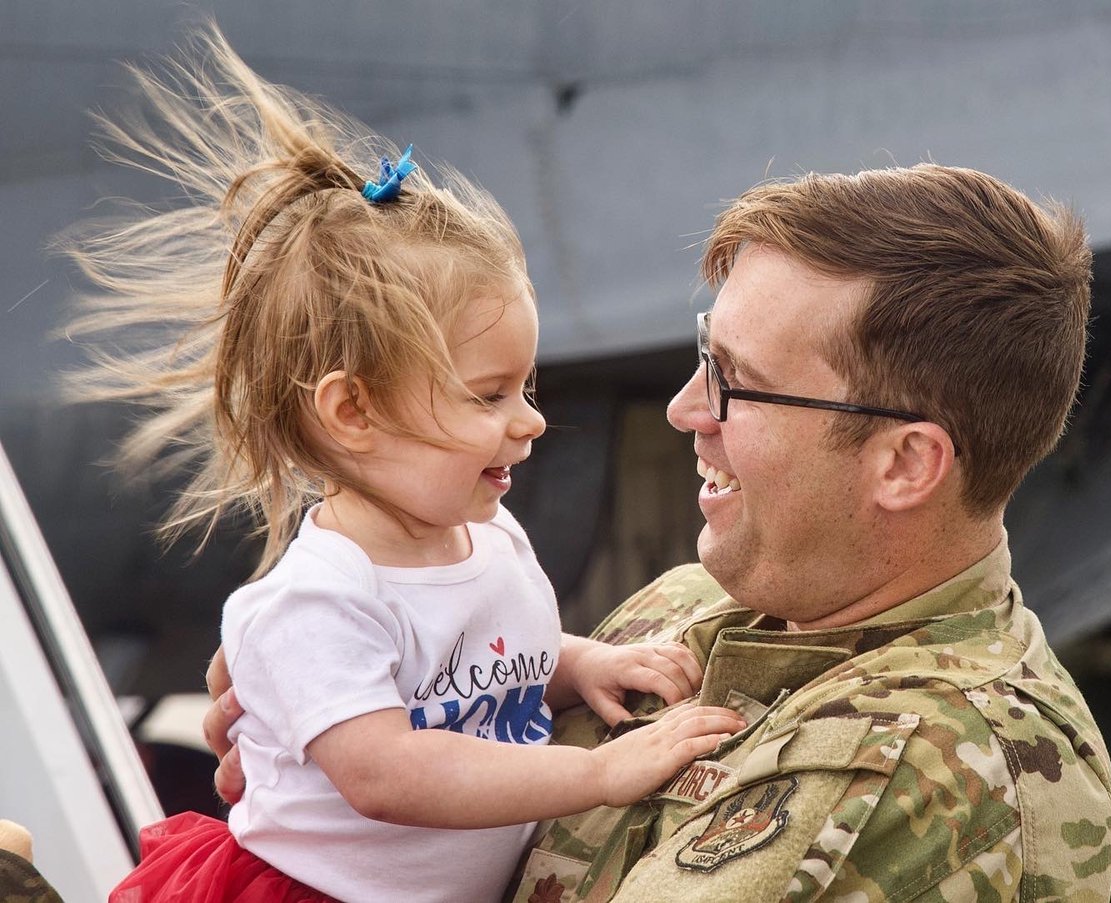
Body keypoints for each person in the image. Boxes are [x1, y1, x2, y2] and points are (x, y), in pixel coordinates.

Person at [205, 160, 1111, 901]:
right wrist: (328, 693)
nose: (685, 410)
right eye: (699, 354)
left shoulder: (908, 767)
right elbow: (431, 741)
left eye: (736, 381)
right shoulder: (694, 603)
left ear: (905, 464)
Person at [64, 25, 744, 903]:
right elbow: (389, 770)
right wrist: (601, 775)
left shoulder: (485, 534)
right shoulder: (316, 598)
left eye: (525, 387)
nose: (531, 421)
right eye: (487, 395)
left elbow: (475, 667)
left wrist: (576, 664)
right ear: (353, 413)